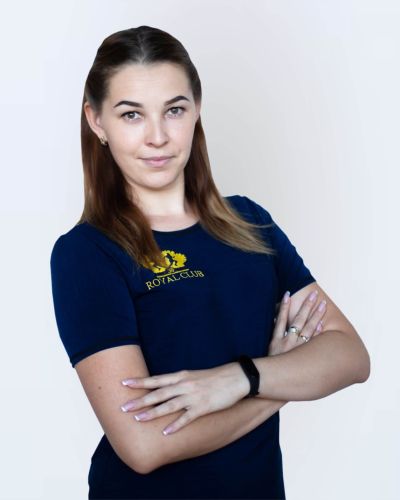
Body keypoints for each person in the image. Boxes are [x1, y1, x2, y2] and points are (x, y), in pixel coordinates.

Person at [49, 25, 370, 500]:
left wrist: (238, 378)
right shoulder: (87, 253)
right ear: (96, 121)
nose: (158, 137)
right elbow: (143, 445)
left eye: (174, 110)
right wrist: (277, 381)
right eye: (132, 114)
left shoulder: (250, 223)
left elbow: (350, 356)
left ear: (197, 109)